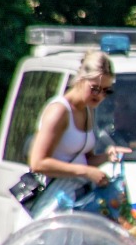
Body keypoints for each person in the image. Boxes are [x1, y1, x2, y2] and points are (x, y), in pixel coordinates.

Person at [28, 49, 121, 189]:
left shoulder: (88, 109)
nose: (100, 95)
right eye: (95, 88)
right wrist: (86, 172)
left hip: (76, 194)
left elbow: (86, 160)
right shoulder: (59, 111)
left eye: (106, 90)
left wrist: (107, 156)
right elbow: (37, 163)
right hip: (54, 196)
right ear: (81, 79)